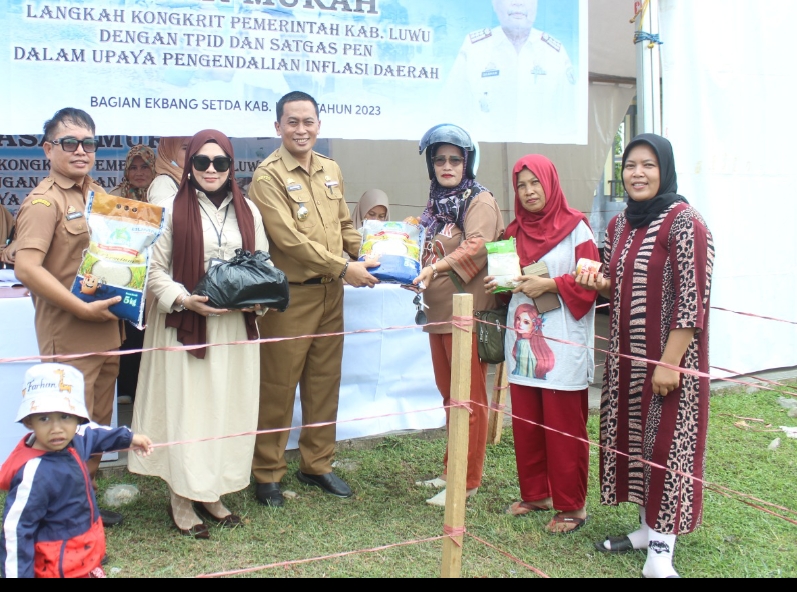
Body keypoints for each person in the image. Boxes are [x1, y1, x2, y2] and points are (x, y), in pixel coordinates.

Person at [575, 134, 715, 579]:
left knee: (667, 448)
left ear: (665, 170)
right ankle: (644, 530)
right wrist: (601, 284)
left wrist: (670, 363)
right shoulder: (620, 225)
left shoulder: (685, 222)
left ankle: (660, 554)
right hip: (627, 358)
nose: (637, 174)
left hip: (670, 360)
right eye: (630, 165)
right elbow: (622, 285)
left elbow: (693, 300)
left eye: (648, 165)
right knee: (634, 444)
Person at [128, 130, 268, 538]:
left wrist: (257, 300)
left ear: (231, 166)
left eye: (220, 162)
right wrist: (184, 299)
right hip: (186, 326)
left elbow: (263, 263)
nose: (211, 169)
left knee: (226, 408)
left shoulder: (249, 211)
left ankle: (213, 492)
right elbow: (153, 270)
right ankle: (182, 498)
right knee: (188, 411)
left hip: (232, 327)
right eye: (201, 161)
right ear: (189, 165)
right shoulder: (171, 208)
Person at [248, 91, 380, 507]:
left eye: (308, 121)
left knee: (324, 383)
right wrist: (344, 267)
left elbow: (344, 226)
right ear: (278, 127)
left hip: (330, 294)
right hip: (291, 296)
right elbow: (288, 239)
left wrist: (376, 253)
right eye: (293, 122)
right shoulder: (266, 177)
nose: (301, 130)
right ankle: (267, 472)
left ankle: (317, 464)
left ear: (319, 125)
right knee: (278, 386)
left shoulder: (330, 169)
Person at [13, 108, 126, 528]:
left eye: (89, 143)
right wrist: (79, 308)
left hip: (106, 330)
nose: (81, 151)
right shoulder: (45, 202)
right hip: (69, 335)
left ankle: (84, 502)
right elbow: (27, 268)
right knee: (63, 428)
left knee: (95, 424)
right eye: (70, 143)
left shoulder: (96, 193)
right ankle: (61, 512)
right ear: (48, 149)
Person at [485, 154, 599, 533]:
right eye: (521, 185)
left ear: (550, 183)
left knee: (563, 427)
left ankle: (572, 507)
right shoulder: (513, 233)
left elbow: (591, 284)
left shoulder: (577, 230)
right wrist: (499, 284)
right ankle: (537, 494)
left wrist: (549, 284)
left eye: (536, 183)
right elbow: (507, 290)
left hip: (561, 344)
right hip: (522, 343)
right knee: (528, 422)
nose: (529, 191)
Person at [411, 123, 505, 507]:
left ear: (468, 162)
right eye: (439, 160)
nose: (447, 166)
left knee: (468, 399)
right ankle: (452, 469)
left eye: (455, 159)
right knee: (450, 396)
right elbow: (426, 245)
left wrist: (435, 267)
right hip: (438, 311)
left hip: (467, 313)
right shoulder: (436, 205)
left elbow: (478, 244)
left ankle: (465, 481)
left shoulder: (479, 201)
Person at [0, 364, 153, 579]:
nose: (57, 428)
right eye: (44, 418)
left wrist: (128, 438)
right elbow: (16, 532)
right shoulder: (33, 473)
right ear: (28, 422)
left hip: (84, 552)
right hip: (56, 567)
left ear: (77, 418)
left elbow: (96, 434)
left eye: (65, 416)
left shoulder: (76, 439)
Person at [443, 0, 578, 143]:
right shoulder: (474, 48)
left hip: (541, 152)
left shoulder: (554, 52)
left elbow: (569, 122)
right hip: (486, 152)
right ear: (494, 4)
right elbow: (451, 112)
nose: (518, 3)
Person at [109, 145, 157, 405]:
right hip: (124, 274)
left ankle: (148, 390)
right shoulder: (115, 197)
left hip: (156, 275)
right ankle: (126, 388)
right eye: (133, 167)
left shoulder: (163, 196)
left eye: (145, 166)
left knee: (152, 333)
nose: (139, 172)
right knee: (128, 333)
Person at [147, 136, 190, 208]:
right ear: (169, 151)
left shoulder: (188, 178)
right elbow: (163, 214)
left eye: (193, 148)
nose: (191, 153)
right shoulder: (162, 183)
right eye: (185, 148)